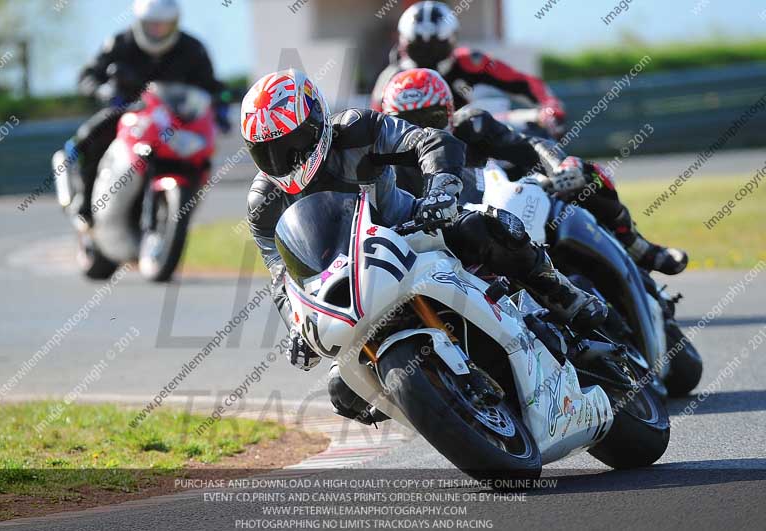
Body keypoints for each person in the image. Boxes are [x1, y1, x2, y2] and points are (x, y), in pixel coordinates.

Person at [242, 69, 607, 422]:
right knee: (343, 391)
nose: (283, 161)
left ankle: (560, 293)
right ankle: (434, 405)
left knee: (484, 227)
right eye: (267, 152)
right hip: (350, 281)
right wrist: (295, 325)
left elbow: (429, 141)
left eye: (291, 144)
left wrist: (440, 189)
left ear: (317, 122)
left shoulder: (356, 128)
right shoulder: (263, 203)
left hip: (409, 229)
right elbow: (282, 276)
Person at [380, 68, 688, 275]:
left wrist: (559, 165)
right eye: (407, 122)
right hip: (441, 254)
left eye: (430, 117)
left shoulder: (470, 125)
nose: (422, 130)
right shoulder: (380, 160)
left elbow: (529, 146)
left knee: (583, 174)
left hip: (506, 216)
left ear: (448, 111)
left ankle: (638, 247)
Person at [66, 0, 231, 225]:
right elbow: (88, 75)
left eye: (164, 25)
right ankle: (84, 202)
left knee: (200, 155)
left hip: (173, 122)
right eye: (153, 25)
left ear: (174, 24)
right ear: (140, 22)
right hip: (128, 113)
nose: (158, 31)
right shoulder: (119, 43)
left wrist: (220, 108)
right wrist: (102, 89)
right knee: (91, 137)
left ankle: (182, 209)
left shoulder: (193, 48)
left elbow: (211, 87)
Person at [370, 1, 564, 138]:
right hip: (413, 158)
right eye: (420, 46)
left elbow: (524, 82)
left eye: (435, 46)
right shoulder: (390, 79)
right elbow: (376, 128)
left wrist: (550, 107)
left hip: (477, 144)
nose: (428, 53)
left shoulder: (470, 61)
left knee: (536, 133)